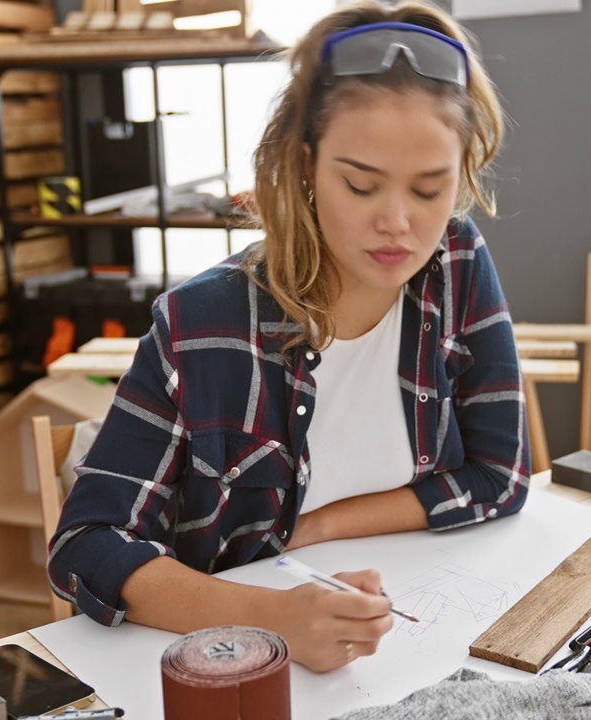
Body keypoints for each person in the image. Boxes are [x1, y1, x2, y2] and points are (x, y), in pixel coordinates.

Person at [47, 0, 529, 674]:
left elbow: (500, 477)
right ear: (305, 163)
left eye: (430, 189)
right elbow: (85, 545)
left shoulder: (455, 261)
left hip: (409, 645)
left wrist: (321, 526)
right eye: (360, 185)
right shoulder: (200, 324)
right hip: (228, 672)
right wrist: (271, 616)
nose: (398, 223)